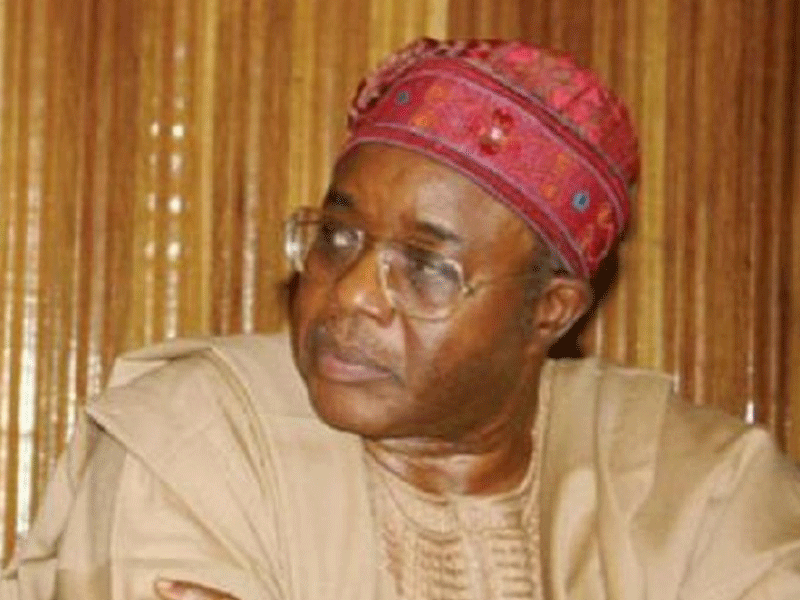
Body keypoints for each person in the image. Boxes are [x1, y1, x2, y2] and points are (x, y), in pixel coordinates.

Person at [3, 38, 800, 600]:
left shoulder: (700, 491)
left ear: (548, 312)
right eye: (338, 236)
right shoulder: (196, 438)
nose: (351, 294)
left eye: (426, 268)